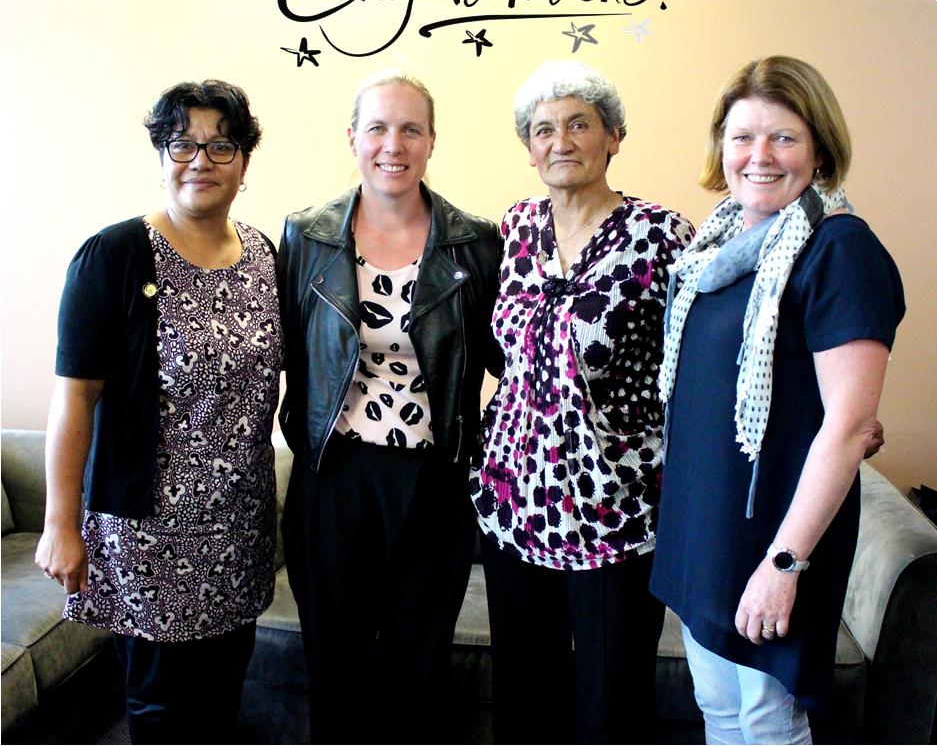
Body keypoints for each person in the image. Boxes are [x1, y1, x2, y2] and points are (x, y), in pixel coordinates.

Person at [650, 56, 905, 744]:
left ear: (819, 148)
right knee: (718, 709)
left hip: (776, 538)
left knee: (768, 720)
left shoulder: (838, 249)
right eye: (742, 137)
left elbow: (849, 426)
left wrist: (783, 563)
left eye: (783, 137)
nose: (758, 156)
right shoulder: (716, 248)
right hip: (705, 529)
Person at [35, 80, 282, 744]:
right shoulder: (113, 256)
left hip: (240, 526)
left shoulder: (264, 255)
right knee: (161, 708)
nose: (201, 160)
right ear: (160, 153)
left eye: (221, 145)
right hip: (148, 533)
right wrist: (61, 523)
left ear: (244, 161)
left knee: (224, 694)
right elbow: (74, 397)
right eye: (182, 143)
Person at [469, 61, 694, 744]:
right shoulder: (514, 228)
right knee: (523, 695)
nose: (560, 142)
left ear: (613, 137)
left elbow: (701, 358)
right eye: (543, 130)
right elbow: (500, 348)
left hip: (616, 504)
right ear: (528, 147)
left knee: (611, 702)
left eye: (578, 125)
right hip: (514, 500)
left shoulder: (661, 234)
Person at [277, 70, 502, 743]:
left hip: (434, 482)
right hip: (332, 478)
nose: (392, 145)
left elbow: (508, 359)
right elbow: (283, 350)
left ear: (431, 141)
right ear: (352, 137)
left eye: (410, 129)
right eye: (376, 128)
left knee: (419, 670)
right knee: (334, 667)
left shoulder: (475, 242)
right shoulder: (307, 236)